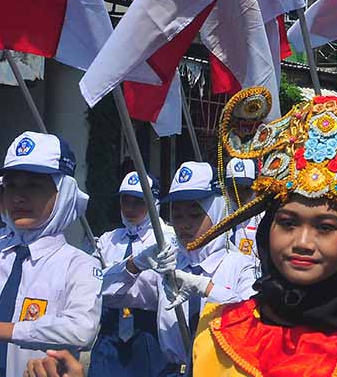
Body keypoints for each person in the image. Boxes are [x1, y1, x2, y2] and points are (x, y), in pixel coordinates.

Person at [187, 93, 337, 376]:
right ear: (267, 230)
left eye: (325, 227)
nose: (302, 243)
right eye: (288, 223)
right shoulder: (216, 331)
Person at [0, 131, 102, 376]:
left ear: (63, 193)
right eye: (10, 186)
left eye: (33, 185)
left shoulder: (79, 264)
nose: (18, 197)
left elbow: (82, 328)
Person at [101, 160, 257, 374]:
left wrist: (206, 288)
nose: (184, 224)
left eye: (195, 215)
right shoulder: (168, 266)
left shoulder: (241, 265)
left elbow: (251, 320)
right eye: (177, 215)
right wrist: (135, 264)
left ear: (217, 213)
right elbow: (107, 295)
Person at [89, 172, 167, 377]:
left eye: (139, 202)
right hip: (110, 328)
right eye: (126, 201)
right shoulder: (107, 240)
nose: (130, 208)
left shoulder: (165, 239)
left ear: (153, 203)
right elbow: (92, 282)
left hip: (147, 330)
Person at [224, 157, 261, 257]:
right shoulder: (219, 216)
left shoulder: (263, 219)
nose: (239, 194)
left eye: (246, 189)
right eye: (233, 188)